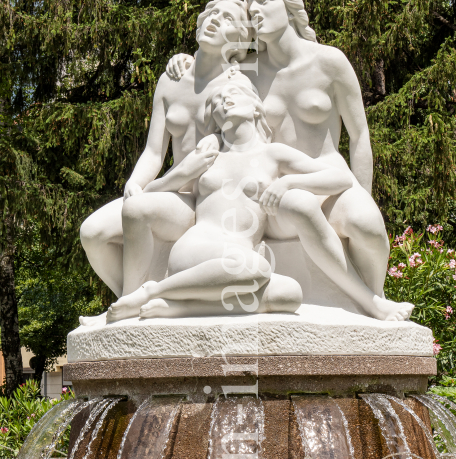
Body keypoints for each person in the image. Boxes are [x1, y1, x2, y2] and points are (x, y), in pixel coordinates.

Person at [166, 0, 411, 321]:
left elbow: (360, 137)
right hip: (274, 190)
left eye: (266, 2)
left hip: (328, 180)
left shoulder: (330, 62)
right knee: (297, 202)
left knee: (366, 224)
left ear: (290, 6)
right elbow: (207, 76)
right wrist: (184, 61)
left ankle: (374, 298)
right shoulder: (246, 71)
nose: (256, 12)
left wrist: (363, 193)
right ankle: (370, 301)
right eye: (251, 9)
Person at [106, 82, 408, 323]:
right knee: (256, 269)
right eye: (216, 103)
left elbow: (341, 180)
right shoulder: (209, 159)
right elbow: (150, 195)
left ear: (256, 107)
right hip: (198, 249)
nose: (223, 101)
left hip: (239, 256)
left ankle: (176, 307)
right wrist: (184, 171)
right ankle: (152, 291)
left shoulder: (274, 154)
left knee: (290, 294)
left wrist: (288, 182)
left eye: (234, 95)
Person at [78, 0, 253, 324]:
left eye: (227, 18)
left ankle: (127, 311)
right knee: (92, 233)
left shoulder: (236, 86)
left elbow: (214, 162)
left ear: (240, 41)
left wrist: (155, 188)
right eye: (211, 12)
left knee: (138, 208)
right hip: (164, 188)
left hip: (198, 202)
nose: (214, 19)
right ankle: (131, 299)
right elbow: (155, 152)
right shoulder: (171, 80)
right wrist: (136, 181)